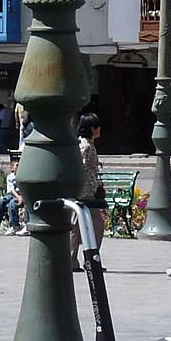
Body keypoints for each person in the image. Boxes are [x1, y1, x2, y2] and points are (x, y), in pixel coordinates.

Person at [71, 113, 107, 271]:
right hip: (85, 194)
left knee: (80, 226)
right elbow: (82, 167)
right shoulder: (85, 146)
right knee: (92, 225)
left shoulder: (86, 144)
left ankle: (83, 259)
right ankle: (89, 259)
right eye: (97, 127)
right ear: (92, 129)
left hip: (86, 193)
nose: (100, 130)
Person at [0, 156, 24, 234]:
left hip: (21, 195)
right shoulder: (10, 177)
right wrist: (18, 197)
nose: (19, 167)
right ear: (12, 169)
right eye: (17, 165)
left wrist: (20, 197)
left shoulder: (23, 176)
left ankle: (14, 226)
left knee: (12, 204)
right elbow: (12, 189)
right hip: (11, 195)